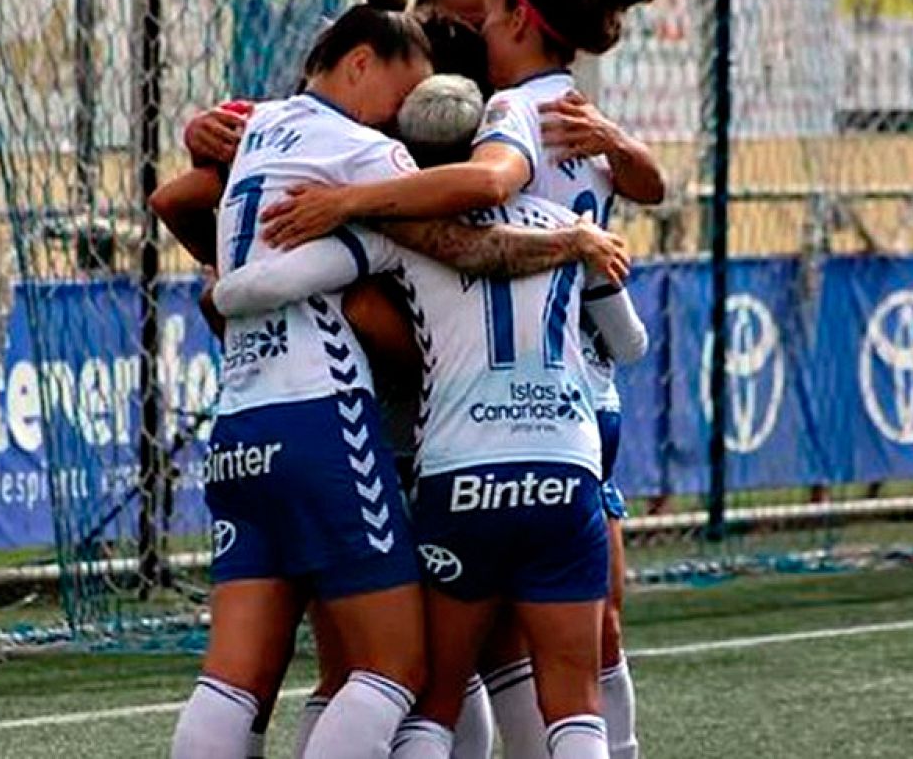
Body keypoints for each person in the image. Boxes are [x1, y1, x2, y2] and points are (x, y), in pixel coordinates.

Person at [166, 0, 629, 759]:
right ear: (359, 61)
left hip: (243, 423)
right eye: (398, 90)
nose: (399, 112)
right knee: (401, 667)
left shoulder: (261, 129)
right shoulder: (373, 160)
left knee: (239, 677)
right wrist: (574, 245)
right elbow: (468, 248)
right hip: (341, 422)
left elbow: (175, 198)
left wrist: (225, 283)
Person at [209, 189, 646, 759]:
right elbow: (630, 343)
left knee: (431, 693)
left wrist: (223, 283)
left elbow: (263, 288)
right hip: (561, 467)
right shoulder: (568, 227)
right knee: (574, 700)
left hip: (457, 475)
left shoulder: (402, 231)